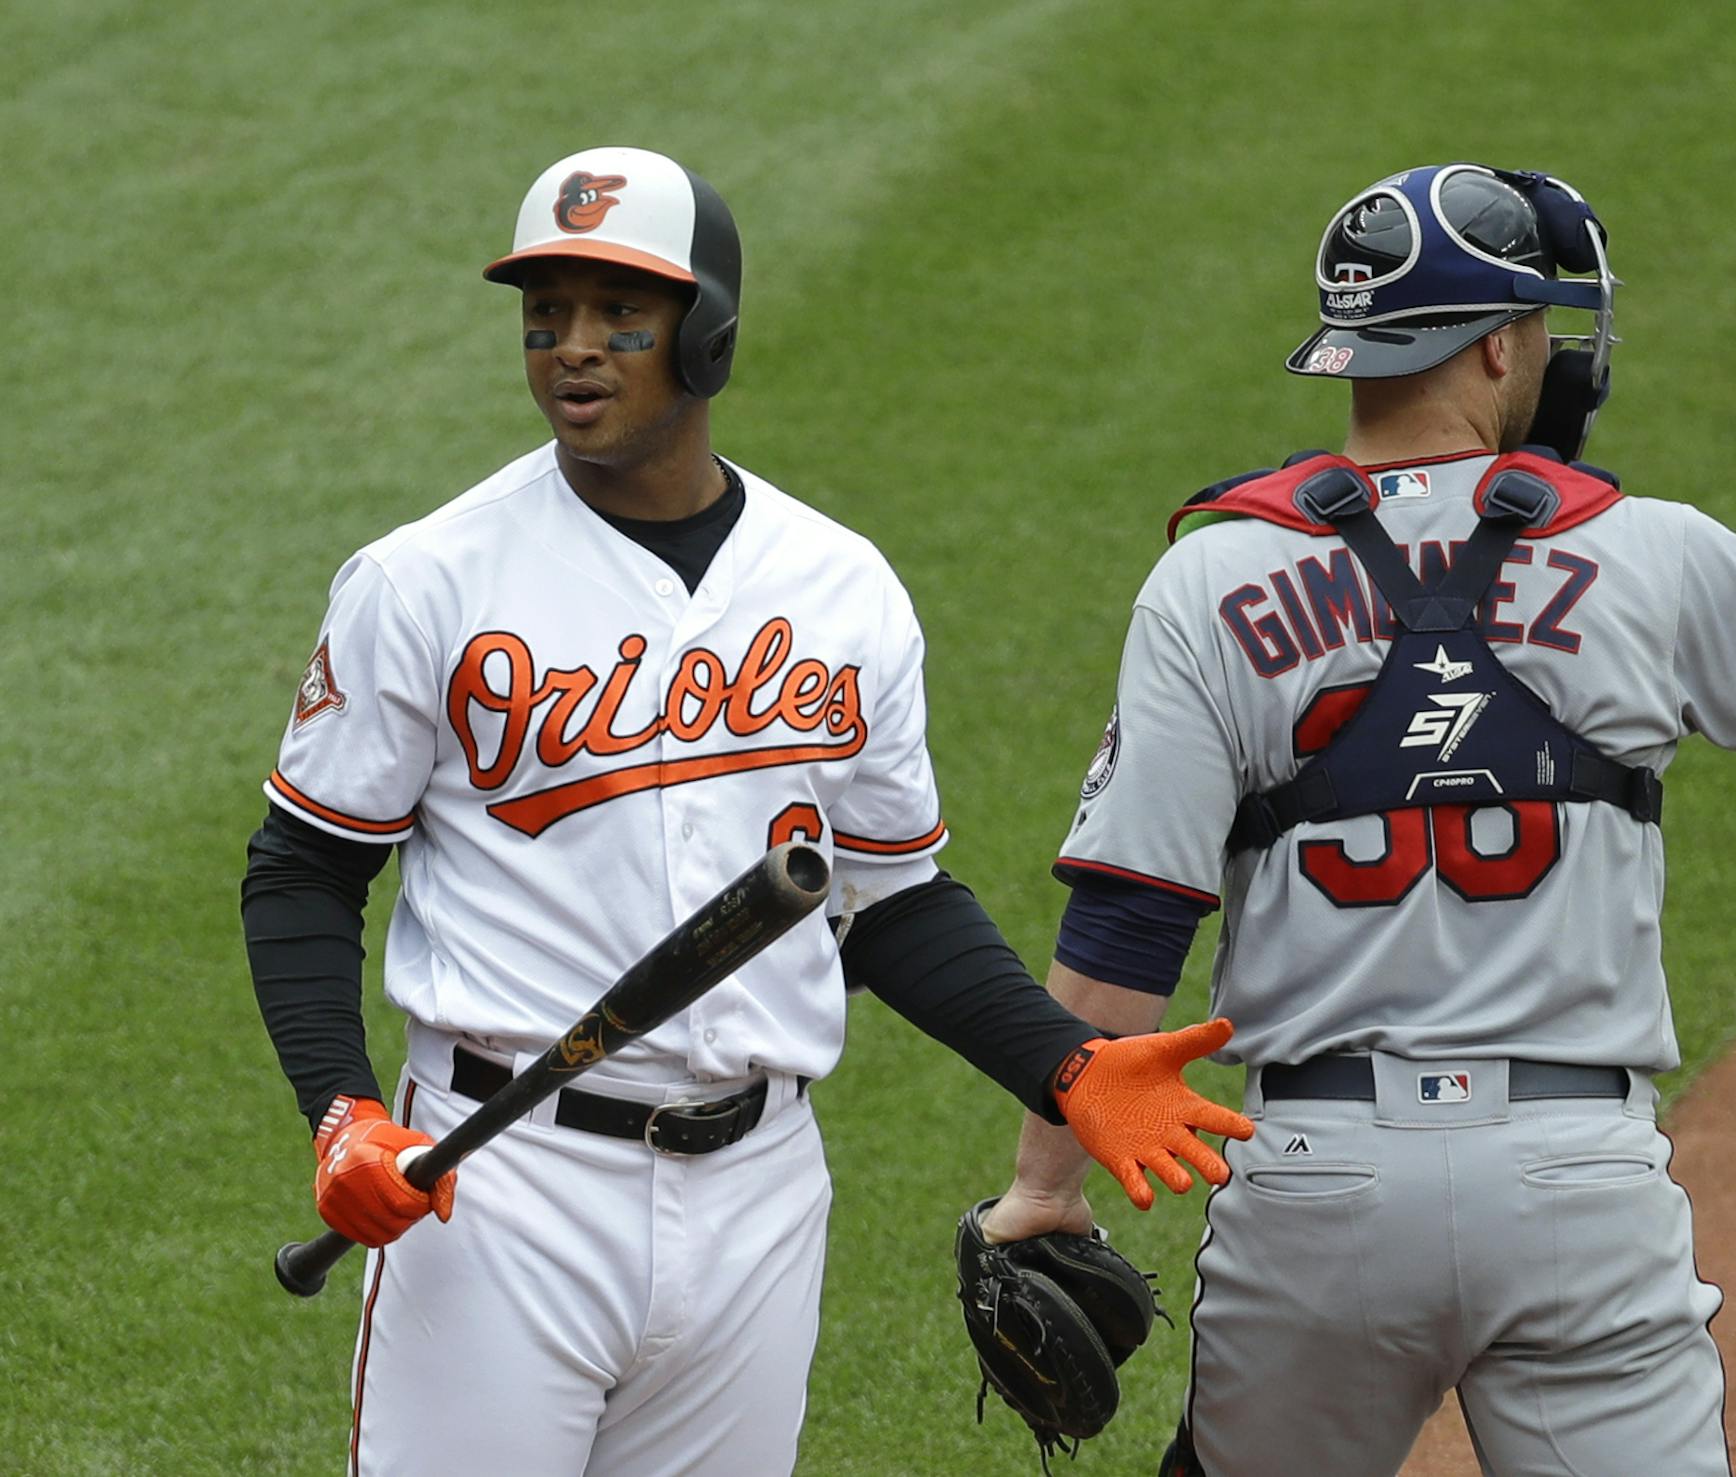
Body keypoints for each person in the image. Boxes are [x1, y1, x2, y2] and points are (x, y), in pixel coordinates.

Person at [239, 145, 1250, 1477]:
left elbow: (884, 900)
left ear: (708, 336)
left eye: (620, 316)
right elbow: (302, 871)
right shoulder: (424, 580)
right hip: (498, 1183)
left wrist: (1059, 1060)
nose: (573, 349)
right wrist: (341, 1109)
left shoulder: (839, 586)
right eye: (546, 315)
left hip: (759, 1193)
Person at [977, 162, 1736, 1476]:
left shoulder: (1211, 577)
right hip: (1574, 1181)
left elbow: (1125, 931)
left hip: (1316, 1186)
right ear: (1498, 343)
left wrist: (1046, 1186)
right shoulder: (1646, 551)